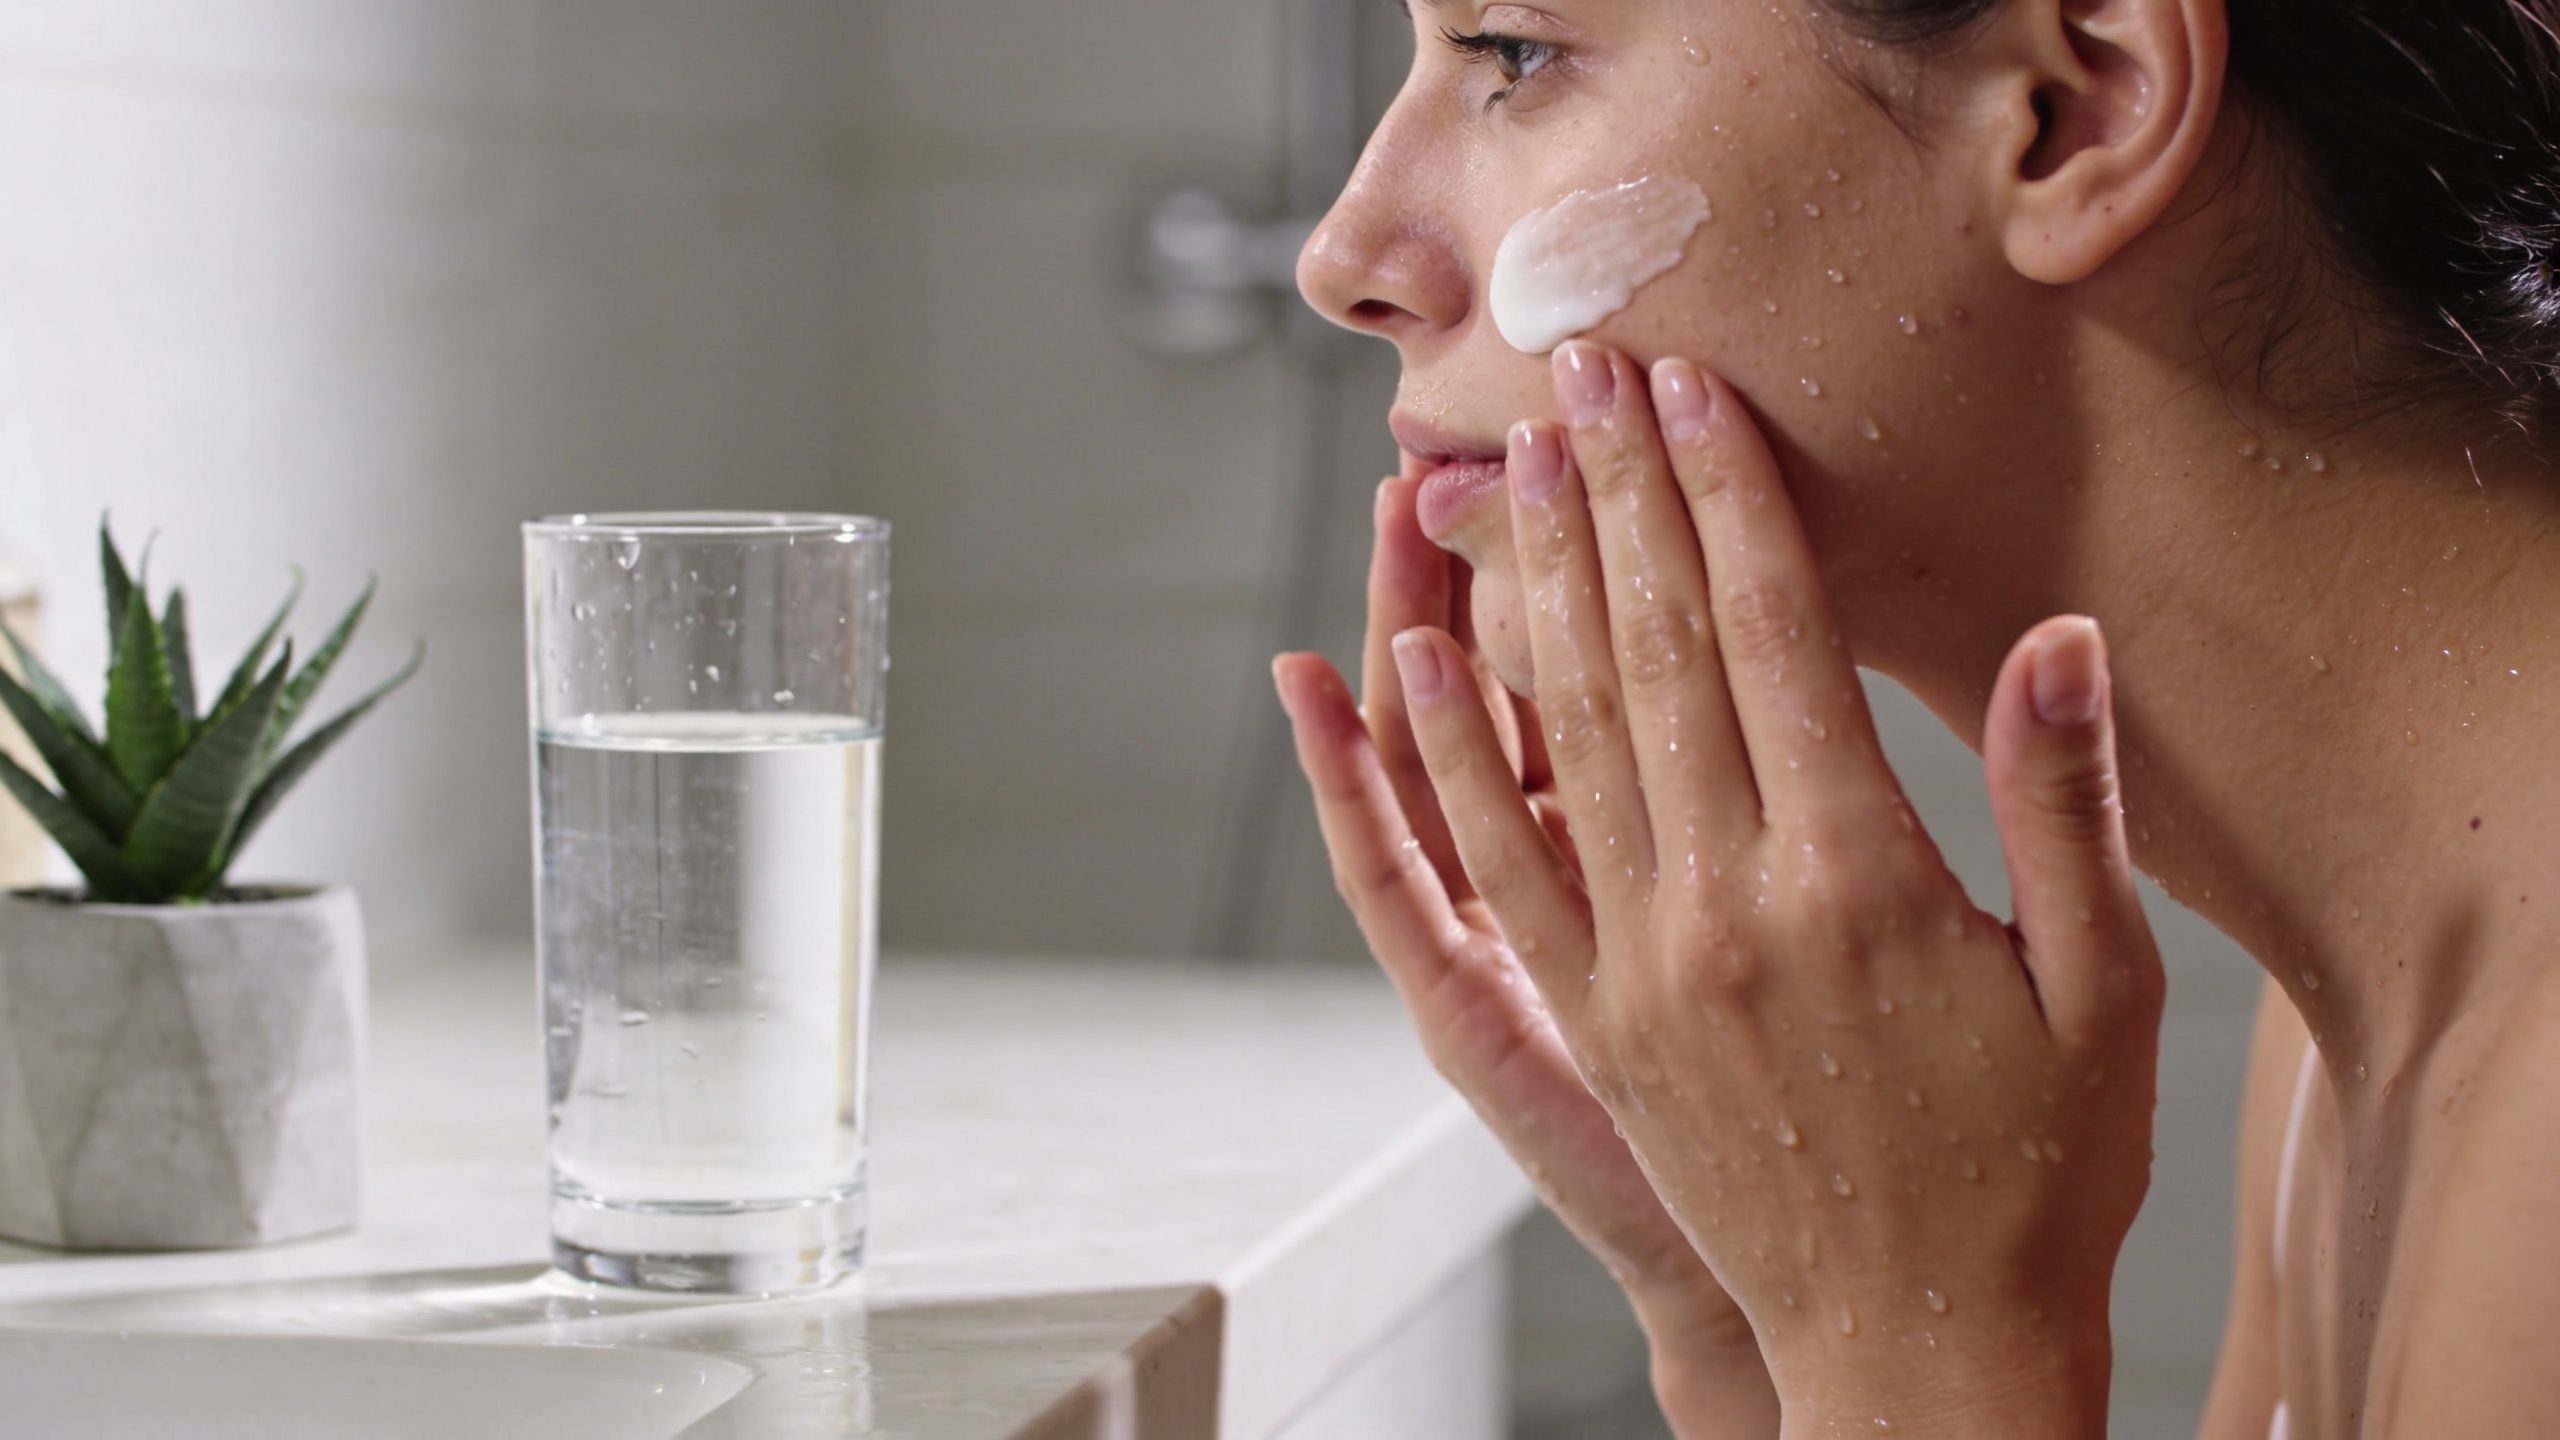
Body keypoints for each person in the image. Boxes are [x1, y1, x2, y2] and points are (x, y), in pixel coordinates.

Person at [1271, 1, 2560, 1435]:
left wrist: (1915, 1357)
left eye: (1514, 55)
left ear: (2082, 106)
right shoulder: (2364, 1024)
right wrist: (1766, 1297)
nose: (1345, 259)